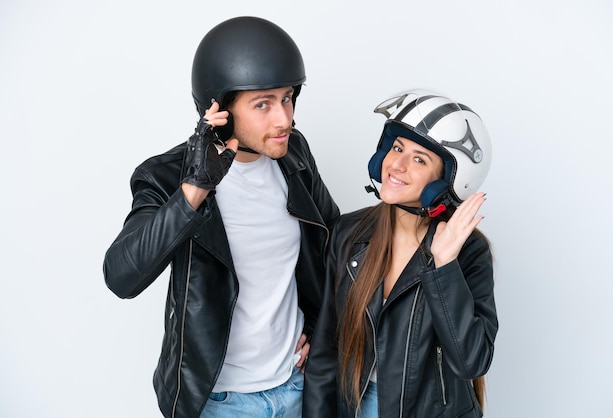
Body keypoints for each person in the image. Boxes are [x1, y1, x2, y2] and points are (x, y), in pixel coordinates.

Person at [103, 16, 340, 418]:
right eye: (263, 104)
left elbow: (333, 244)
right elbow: (121, 276)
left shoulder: (293, 155)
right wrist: (194, 191)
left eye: (287, 98)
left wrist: (321, 327)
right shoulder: (165, 177)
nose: (284, 119)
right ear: (220, 109)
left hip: (298, 386)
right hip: (220, 401)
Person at [302, 89, 498, 417]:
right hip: (358, 407)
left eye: (419, 159)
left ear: (448, 180)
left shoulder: (469, 253)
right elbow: (326, 353)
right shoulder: (349, 233)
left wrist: (444, 265)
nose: (397, 165)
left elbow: (471, 361)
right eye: (397, 148)